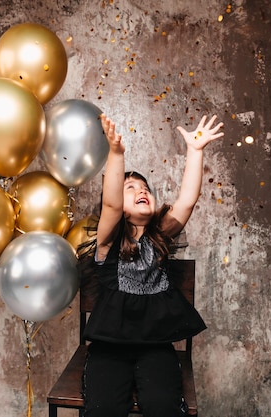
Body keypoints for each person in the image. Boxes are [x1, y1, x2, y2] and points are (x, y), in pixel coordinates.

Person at [79, 113, 224, 417]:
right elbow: (111, 205)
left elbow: (186, 201)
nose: (141, 191)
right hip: (110, 346)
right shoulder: (107, 242)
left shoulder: (160, 239)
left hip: (155, 345)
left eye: (144, 187)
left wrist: (195, 152)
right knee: (103, 408)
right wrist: (116, 154)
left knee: (162, 406)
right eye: (130, 188)